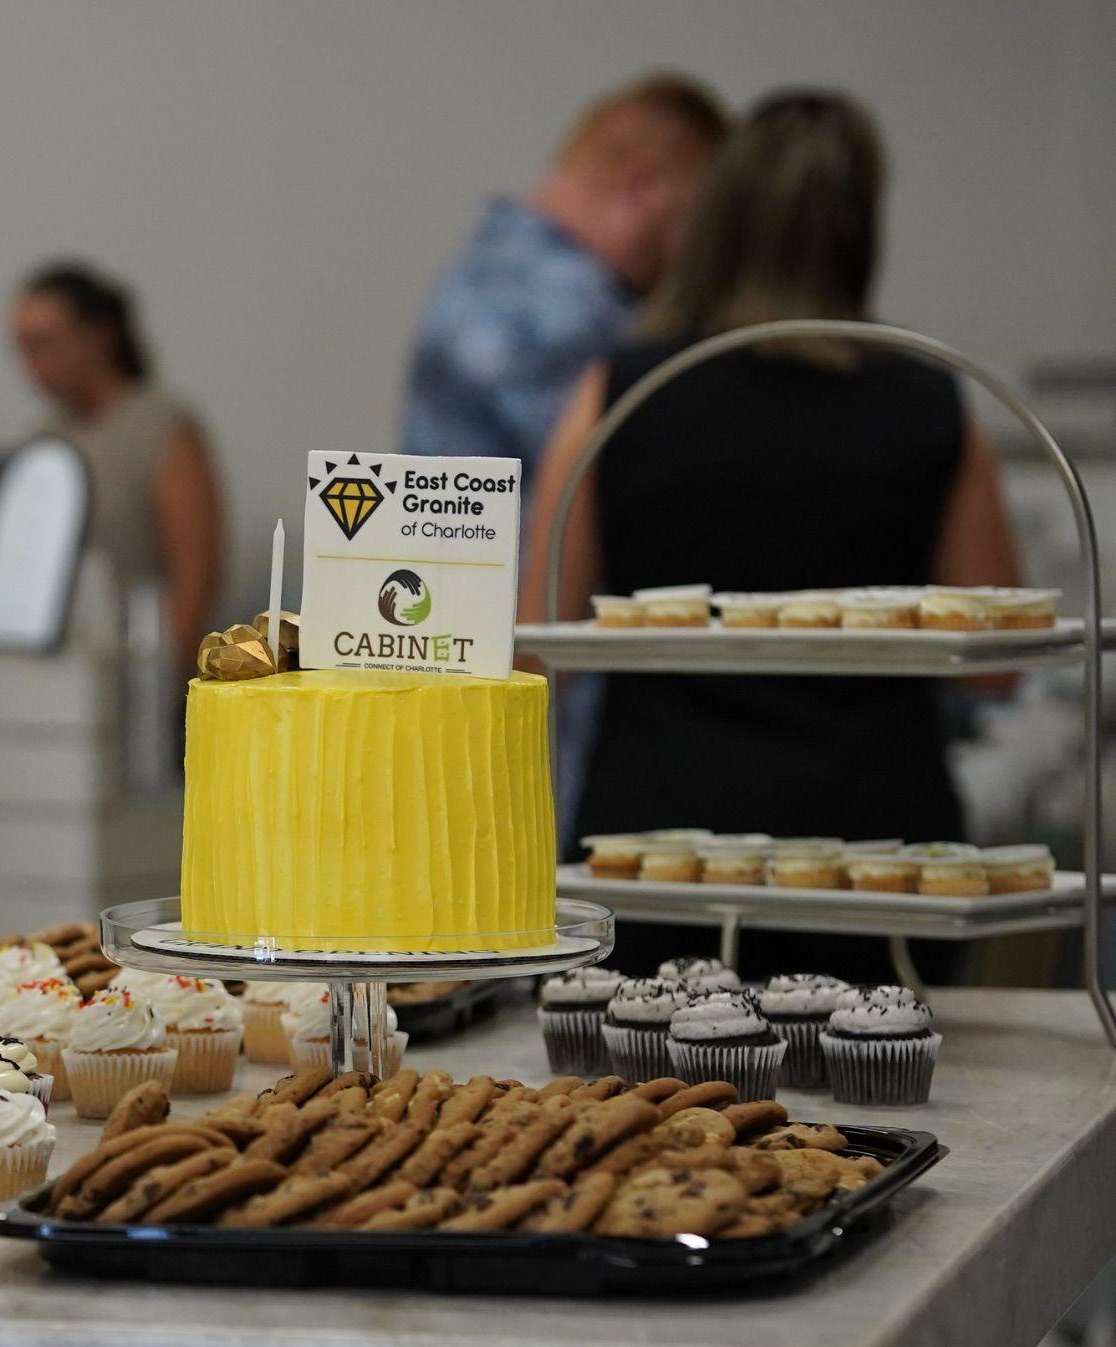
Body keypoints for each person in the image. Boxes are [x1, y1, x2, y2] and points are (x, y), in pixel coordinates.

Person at [517, 91, 1021, 980]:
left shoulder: (618, 395)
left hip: (656, 848)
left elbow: (539, 636)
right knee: (894, 1109)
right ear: (862, 231)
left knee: (652, 1108)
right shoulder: (932, 402)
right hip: (879, 857)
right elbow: (994, 660)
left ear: (717, 218)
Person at [401, 72, 728, 482]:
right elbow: (642, 491)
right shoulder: (565, 311)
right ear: (643, 188)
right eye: (696, 225)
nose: (695, 258)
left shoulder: (490, 264)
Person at [10, 262, 224, 673]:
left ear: (100, 336)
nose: (32, 367)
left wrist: (154, 687)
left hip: (138, 677)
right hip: (59, 678)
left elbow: (197, 576)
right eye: (22, 349)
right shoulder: (43, 440)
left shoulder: (163, 430)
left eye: (43, 345)